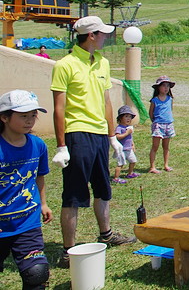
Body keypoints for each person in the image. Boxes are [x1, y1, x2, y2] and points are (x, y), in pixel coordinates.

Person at [50, 15, 136, 269]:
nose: (106, 37)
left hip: (100, 134)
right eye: (103, 34)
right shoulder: (64, 65)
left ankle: (106, 234)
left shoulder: (103, 63)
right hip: (77, 133)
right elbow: (59, 107)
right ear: (91, 36)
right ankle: (68, 250)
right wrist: (61, 144)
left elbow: (107, 102)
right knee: (74, 194)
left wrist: (112, 137)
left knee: (103, 189)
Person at [0, 90, 52, 290]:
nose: (30, 120)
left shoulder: (38, 145)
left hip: (27, 222)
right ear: (4, 117)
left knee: (36, 273)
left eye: (33, 115)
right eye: (23, 116)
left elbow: (39, 176)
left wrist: (44, 203)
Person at [148, 76, 175, 174]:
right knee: (155, 146)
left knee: (166, 146)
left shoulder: (170, 99)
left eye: (168, 86)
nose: (166, 88)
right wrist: (155, 122)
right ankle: (152, 167)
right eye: (163, 85)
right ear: (158, 87)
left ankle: (166, 165)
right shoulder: (155, 100)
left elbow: (170, 109)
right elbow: (150, 113)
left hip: (168, 124)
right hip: (158, 125)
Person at [112, 105, 139, 183]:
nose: (128, 118)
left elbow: (130, 137)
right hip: (122, 149)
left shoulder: (129, 127)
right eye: (126, 116)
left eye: (130, 117)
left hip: (128, 149)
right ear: (120, 118)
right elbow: (117, 137)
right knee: (121, 164)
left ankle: (130, 173)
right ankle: (116, 178)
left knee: (133, 161)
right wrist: (126, 133)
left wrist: (132, 144)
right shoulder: (119, 128)